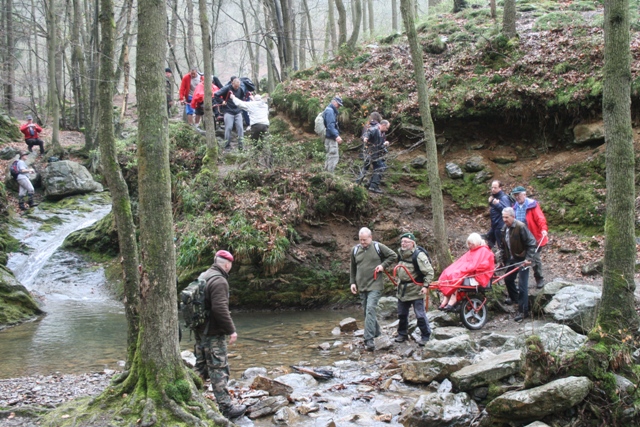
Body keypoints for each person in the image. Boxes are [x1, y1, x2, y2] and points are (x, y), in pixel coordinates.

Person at [196, 250, 246, 420]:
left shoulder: (204, 275)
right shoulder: (219, 281)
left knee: (201, 366)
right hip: (213, 332)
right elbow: (220, 309)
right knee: (218, 368)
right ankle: (226, 407)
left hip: (200, 330)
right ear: (227, 264)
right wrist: (231, 330)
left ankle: (192, 397)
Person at [350, 227, 397, 351]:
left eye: (365, 240)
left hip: (375, 285)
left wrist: (382, 265)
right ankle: (377, 333)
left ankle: (368, 340)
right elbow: (352, 268)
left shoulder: (378, 247)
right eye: (361, 240)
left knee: (370, 309)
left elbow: (393, 255)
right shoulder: (355, 250)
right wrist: (352, 283)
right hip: (362, 285)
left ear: (370, 237)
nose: (363, 242)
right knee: (367, 311)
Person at [437, 233, 495, 311]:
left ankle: (452, 299)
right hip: (471, 272)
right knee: (447, 273)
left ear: (476, 242)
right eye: (469, 244)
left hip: (479, 276)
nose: (469, 246)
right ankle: (446, 298)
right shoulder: (475, 250)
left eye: (471, 244)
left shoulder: (483, 251)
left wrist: (466, 269)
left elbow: (479, 265)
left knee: (456, 276)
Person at [394, 232, 433, 346]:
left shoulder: (419, 255)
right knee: (401, 313)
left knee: (420, 314)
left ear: (412, 243)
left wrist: (425, 286)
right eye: (402, 242)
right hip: (402, 289)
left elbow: (429, 272)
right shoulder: (400, 254)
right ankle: (402, 334)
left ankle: (426, 336)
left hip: (416, 288)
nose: (403, 244)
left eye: (406, 242)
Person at [501, 207, 537, 322]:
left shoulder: (521, 227)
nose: (504, 220)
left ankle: (523, 311)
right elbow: (503, 246)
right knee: (508, 279)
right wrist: (502, 259)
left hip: (522, 259)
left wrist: (528, 258)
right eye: (503, 217)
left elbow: (532, 243)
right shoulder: (504, 228)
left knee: (522, 285)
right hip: (512, 258)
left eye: (506, 217)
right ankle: (515, 299)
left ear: (513, 216)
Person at [511, 186, 549, 288]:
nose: (517, 197)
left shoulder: (532, 205)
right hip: (521, 238)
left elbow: (540, 218)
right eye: (515, 195)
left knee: (535, 259)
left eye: (518, 195)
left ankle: (539, 278)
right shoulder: (514, 207)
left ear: (524, 194)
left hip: (534, 237)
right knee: (521, 259)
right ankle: (522, 282)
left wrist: (543, 229)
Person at [215, 77, 247, 150]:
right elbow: (216, 95)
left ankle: (241, 146)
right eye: (235, 86)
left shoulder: (241, 90)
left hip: (238, 111)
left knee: (240, 128)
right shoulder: (227, 88)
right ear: (232, 83)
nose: (236, 88)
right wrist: (221, 101)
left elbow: (241, 99)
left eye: (238, 86)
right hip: (228, 111)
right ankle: (227, 146)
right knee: (228, 127)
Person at [362, 120, 390, 193]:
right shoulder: (374, 129)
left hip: (375, 154)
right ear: (383, 125)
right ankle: (373, 186)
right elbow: (367, 134)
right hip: (371, 153)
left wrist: (384, 144)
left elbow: (379, 145)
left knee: (380, 167)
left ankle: (369, 184)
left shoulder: (382, 133)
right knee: (380, 167)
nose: (387, 130)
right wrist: (365, 138)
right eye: (387, 128)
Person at [356, 112, 383, 185]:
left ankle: (358, 182)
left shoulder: (367, 125)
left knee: (365, 168)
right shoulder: (377, 126)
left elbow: (364, 137)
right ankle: (373, 185)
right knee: (379, 167)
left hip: (366, 150)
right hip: (373, 151)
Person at [486, 180, 512, 250]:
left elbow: (507, 211)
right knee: (489, 242)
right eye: (492, 188)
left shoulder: (504, 198)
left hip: (501, 226)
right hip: (495, 225)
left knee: (502, 246)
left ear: (500, 188)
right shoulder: (495, 197)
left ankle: (504, 259)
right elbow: (496, 209)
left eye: (495, 188)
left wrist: (497, 204)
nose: (493, 189)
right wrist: (491, 202)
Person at [323, 96, 343, 172]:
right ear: (334, 102)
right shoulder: (330, 111)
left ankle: (326, 174)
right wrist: (337, 136)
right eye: (338, 105)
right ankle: (330, 175)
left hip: (328, 138)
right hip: (331, 139)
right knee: (333, 156)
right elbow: (330, 126)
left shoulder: (328, 110)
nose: (338, 107)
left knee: (329, 156)